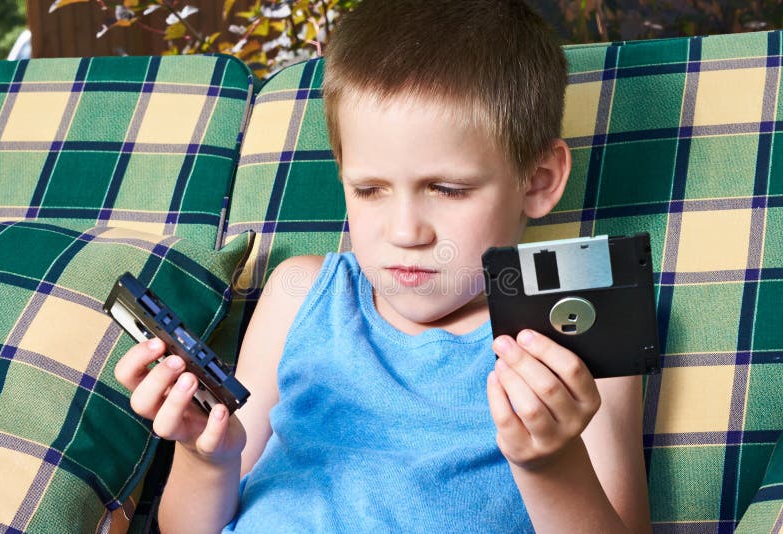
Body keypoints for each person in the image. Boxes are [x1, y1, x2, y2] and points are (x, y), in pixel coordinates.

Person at [115, 1, 651, 532]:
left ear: (537, 181)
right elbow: (188, 528)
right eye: (369, 190)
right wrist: (206, 457)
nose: (404, 232)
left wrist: (551, 466)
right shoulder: (299, 293)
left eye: (447, 189)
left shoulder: (575, 329)